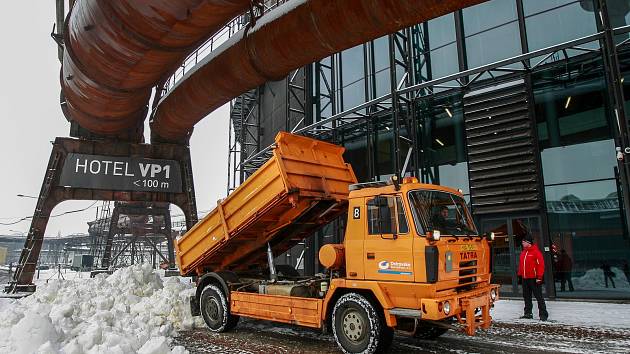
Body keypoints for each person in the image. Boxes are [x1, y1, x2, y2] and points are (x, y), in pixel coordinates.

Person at [517, 234, 548, 321]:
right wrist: (520, 275)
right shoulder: (523, 253)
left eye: (524, 242)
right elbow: (521, 265)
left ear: (528, 242)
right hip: (525, 278)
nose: (522, 243)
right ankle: (528, 313)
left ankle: (543, 315)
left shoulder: (536, 252)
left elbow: (541, 265)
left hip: (534, 279)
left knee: (539, 297)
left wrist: (539, 277)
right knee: (526, 297)